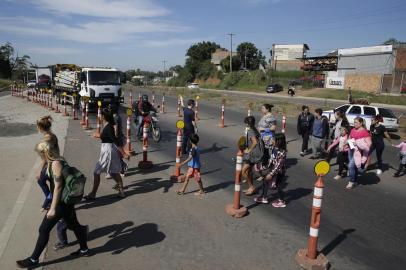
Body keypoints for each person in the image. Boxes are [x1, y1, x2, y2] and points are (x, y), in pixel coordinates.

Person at [16, 141, 89, 268]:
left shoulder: (55, 164)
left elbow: (58, 186)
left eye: (40, 154)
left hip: (61, 203)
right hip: (64, 202)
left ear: (45, 153)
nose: (39, 156)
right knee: (75, 226)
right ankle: (84, 250)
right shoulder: (56, 160)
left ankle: (33, 260)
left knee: (43, 230)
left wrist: (53, 208)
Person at [84, 109, 125, 199]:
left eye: (100, 115)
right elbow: (108, 137)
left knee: (96, 172)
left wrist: (124, 153)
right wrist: (99, 135)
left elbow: (115, 140)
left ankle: (93, 193)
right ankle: (121, 192)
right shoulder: (108, 126)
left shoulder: (109, 127)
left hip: (108, 151)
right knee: (113, 172)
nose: (99, 117)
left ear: (104, 117)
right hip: (109, 150)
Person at [254, 133, 287, 208]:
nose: (272, 140)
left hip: (279, 172)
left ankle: (282, 201)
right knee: (265, 181)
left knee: (278, 186)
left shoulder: (282, 152)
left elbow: (278, 165)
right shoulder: (273, 147)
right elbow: (267, 146)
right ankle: (264, 197)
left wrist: (271, 174)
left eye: (274, 139)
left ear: (278, 141)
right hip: (272, 168)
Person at [36, 116, 60, 211]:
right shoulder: (52, 135)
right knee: (49, 183)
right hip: (56, 161)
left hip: (52, 165)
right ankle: (49, 199)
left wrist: (39, 170)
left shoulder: (47, 139)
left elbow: (44, 159)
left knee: (40, 179)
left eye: (37, 126)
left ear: (40, 127)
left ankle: (49, 199)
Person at [346, 117, 372, 189]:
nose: (354, 124)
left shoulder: (365, 132)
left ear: (361, 123)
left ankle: (351, 182)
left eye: (356, 122)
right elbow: (350, 138)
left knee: (350, 166)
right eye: (354, 122)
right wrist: (349, 144)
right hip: (351, 150)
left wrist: (367, 158)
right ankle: (355, 180)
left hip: (359, 152)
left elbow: (369, 145)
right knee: (354, 167)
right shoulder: (353, 130)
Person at [107, 104, 129, 179]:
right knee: (113, 155)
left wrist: (114, 138)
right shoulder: (114, 116)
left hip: (116, 139)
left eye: (110, 109)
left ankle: (121, 169)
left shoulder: (116, 117)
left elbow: (115, 129)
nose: (109, 110)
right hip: (114, 138)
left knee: (114, 155)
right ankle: (112, 172)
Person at [242, 116, 263, 196]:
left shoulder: (250, 131)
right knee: (249, 171)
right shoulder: (255, 129)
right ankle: (250, 188)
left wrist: (249, 150)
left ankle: (251, 187)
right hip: (256, 153)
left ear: (248, 123)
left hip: (252, 155)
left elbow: (255, 142)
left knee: (243, 171)